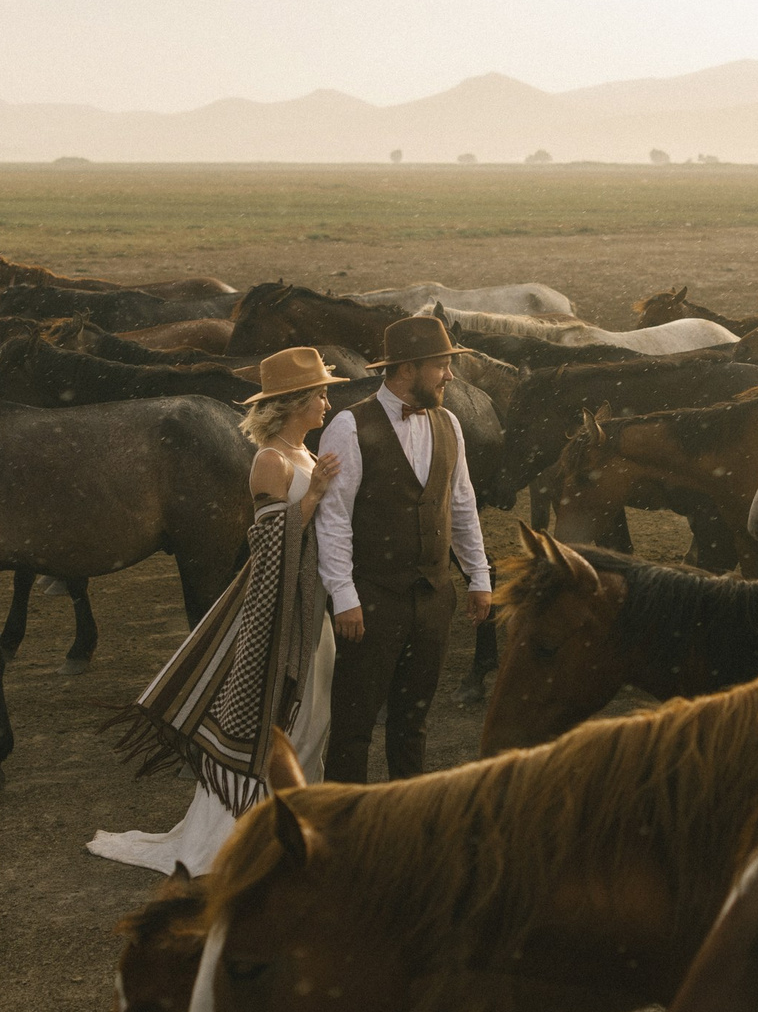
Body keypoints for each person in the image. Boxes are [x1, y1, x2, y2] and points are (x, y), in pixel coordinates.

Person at [87, 346, 345, 876]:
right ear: (294, 403)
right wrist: (315, 497)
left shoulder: (307, 456)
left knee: (315, 720)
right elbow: (270, 546)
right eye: (319, 393)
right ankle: (249, 836)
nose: (326, 401)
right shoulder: (270, 462)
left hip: (311, 607)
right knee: (282, 723)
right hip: (280, 613)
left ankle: (291, 826)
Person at [314, 314, 492, 782]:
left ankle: (404, 822)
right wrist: (345, 596)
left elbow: (463, 505)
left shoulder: (449, 423)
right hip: (371, 602)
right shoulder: (348, 426)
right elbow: (332, 520)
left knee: (412, 724)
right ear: (409, 368)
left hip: (434, 598)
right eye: (441, 365)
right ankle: (341, 826)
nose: (450, 375)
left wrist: (479, 577)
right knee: (353, 726)